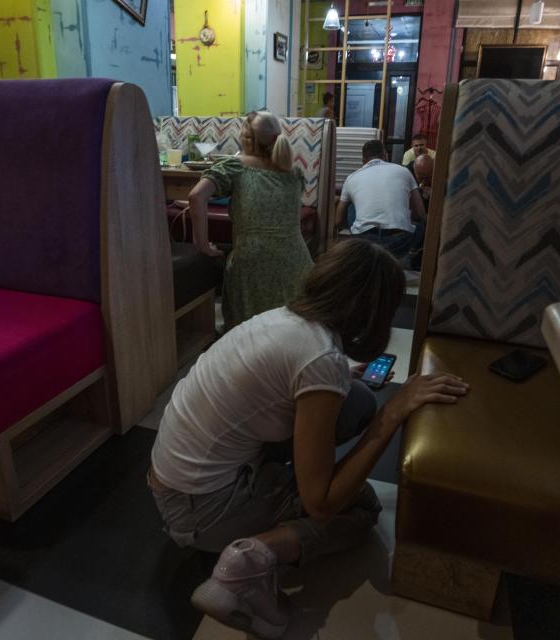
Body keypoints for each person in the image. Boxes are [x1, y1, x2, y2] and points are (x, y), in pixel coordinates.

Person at [149, 240, 469, 638]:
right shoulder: (320, 360)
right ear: (374, 312)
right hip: (202, 513)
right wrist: (393, 413)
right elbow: (321, 505)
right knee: (361, 508)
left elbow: (293, 378)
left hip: (176, 481)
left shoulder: (284, 320)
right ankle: (248, 562)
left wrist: (343, 378)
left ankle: (267, 507)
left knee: (356, 401)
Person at [188, 111, 313, 329]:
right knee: (291, 328)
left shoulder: (235, 166)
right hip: (297, 262)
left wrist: (202, 246)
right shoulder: (294, 172)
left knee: (249, 334)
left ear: (246, 139)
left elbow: (196, 196)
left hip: (253, 263)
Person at [336, 140, 426, 270]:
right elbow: (420, 213)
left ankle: (364, 246)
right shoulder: (404, 171)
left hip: (365, 242)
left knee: (351, 206)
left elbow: (338, 220)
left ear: (363, 161)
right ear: (386, 156)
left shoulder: (351, 178)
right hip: (399, 242)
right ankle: (410, 258)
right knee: (420, 225)